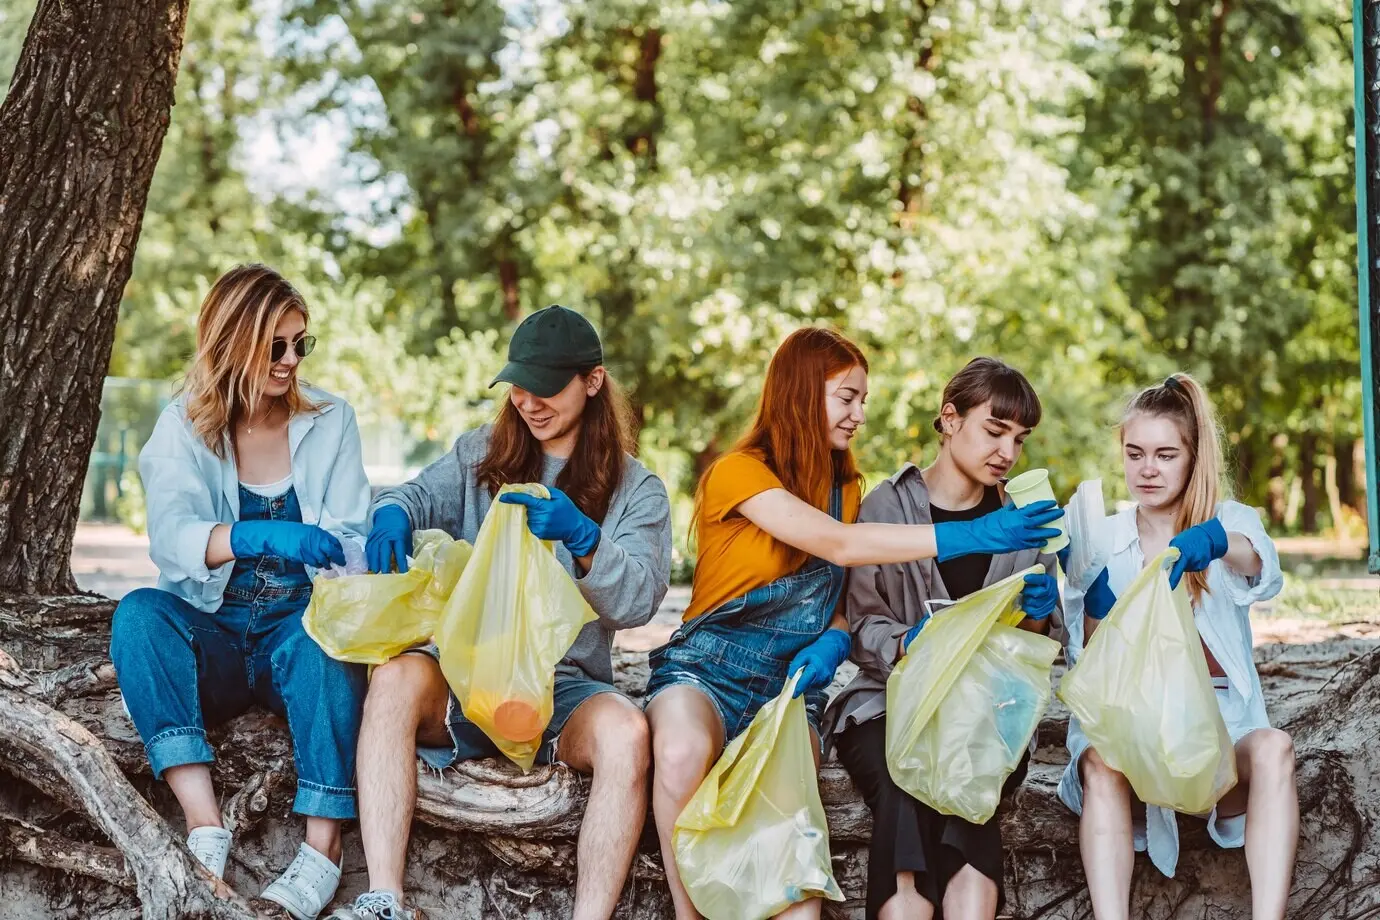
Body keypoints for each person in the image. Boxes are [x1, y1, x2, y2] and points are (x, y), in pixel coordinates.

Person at [645, 333, 1065, 920]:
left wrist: (835, 635)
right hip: (709, 668)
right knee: (685, 749)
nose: (860, 414)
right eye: (847, 398)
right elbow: (842, 548)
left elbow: (837, 598)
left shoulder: (845, 488)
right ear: (799, 393)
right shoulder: (739, 473)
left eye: (862, 399)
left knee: (798, 887)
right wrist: (969, 539)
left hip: (792, 688)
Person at [331, 305, 673, 920]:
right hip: (466, 670)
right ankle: (384, 899)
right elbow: (416, 492)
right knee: (396, 675)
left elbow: (640, 600)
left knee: (627, 733)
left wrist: (587, 540)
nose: (529, 402)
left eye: (545, 387)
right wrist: (394, 513)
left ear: (592, 382)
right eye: (518, 386)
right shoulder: (481, 453)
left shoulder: (636, 490)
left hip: (561, 687)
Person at [109, 265, 371, 920]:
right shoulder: (183, 426)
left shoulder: (332, 420)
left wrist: (341, 546)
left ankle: (322, 848)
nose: (291, 361)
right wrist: (262, 536)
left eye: (300, 344)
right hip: (215, 630)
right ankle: (204, 826)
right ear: (233, 341)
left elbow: (348, 533)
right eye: (275, 345)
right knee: (139, 616)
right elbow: (170, 539)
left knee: (327, 645)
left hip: (296, 630)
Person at [822, 357, 1062, 920]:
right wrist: (911, 642)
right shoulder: (888, 506)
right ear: (950, 420)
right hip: (887, 703)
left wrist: (1038, 616)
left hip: (987, 712)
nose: (1007, 452)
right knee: (906, 784)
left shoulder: (1024, 523)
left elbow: (1033, 650)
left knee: (969, 793)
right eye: (994, 431)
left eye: (1020, 439)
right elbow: (862, 624)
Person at [1058, 374, 1295, 920]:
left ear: (1192, 457)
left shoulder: (1229, 519)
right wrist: (1092, 604)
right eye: (1135, 453)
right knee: (1098, 763)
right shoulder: (1103, 538)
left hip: (1218, 734)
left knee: (1275, 749)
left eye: (1166, 454)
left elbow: (1262, 571)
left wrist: (1214, 543)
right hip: (1130, 738)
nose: (1148, 468)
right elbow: (1090, 671)